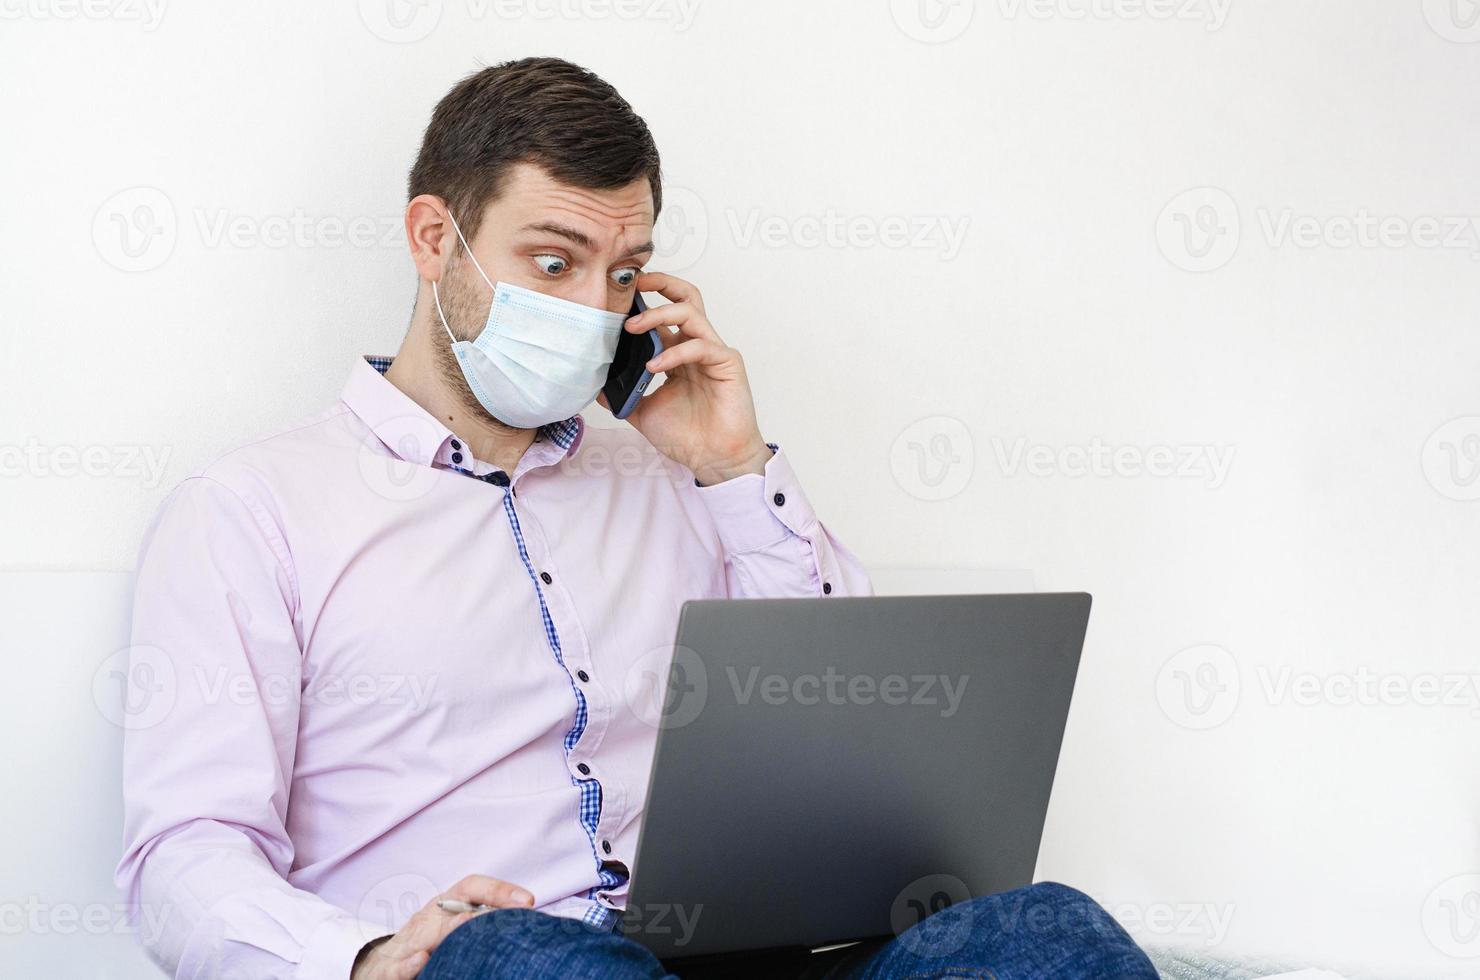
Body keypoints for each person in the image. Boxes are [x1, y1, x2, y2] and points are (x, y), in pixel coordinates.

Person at [114, 56, 1155, 980]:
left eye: (622, 274)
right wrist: (363, 956)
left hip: (739, 951)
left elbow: (847, 726)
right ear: (436, 239)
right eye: (553, 262)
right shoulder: (250, 511)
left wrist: (732, 469)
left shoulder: (667, 474)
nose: (592, 309)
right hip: (493, 960)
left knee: (1048, 932)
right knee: (518, 956)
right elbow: (185, 851)